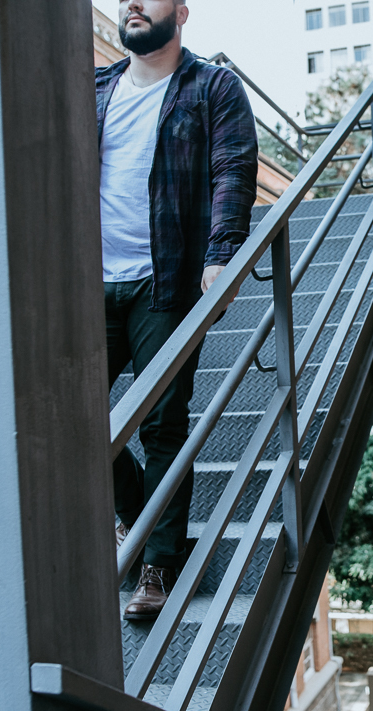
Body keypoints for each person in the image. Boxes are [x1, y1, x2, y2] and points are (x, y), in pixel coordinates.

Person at [97, 0, 257, 619]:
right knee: (70, 415)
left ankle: (158, 566)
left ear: (182, 12)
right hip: (90, 283)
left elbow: (232, 169)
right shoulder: (95, 88)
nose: (132, 3)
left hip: (164, 282)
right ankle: (139, 519)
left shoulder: (212, 87)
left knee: (161, 424)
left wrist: (222, 252)